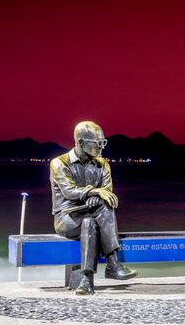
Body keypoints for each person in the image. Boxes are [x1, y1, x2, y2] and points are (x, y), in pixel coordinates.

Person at [50, 121, 137, 295]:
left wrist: (96, 196)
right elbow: (69, 191)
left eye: (103, 142)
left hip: (92, 215)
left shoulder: (103, 164)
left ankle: (87, 280)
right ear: (81, 143)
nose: (101, 147)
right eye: (98, 143)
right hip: (67, 218)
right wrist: (94, 192)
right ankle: (113, 264)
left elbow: (108, 193)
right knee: (95, 214)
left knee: (92, 220)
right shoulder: (59, 163)